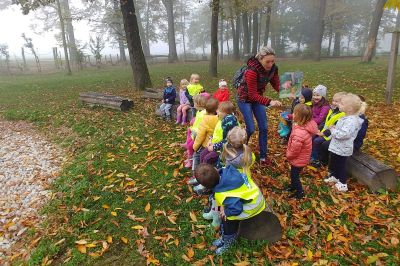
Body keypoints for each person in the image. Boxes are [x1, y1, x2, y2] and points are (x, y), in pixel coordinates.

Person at [194, 162, 265, 255]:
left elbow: (237, 209)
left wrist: (226, 212)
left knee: (227, 219)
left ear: (207, 187)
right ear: (215, 169)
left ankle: (228, 241)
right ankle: (225, 237)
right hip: (254, 197)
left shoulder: (223, 194)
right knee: (226, 211)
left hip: (253, 206)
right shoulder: (226, 170)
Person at [236, 46, 282, 166]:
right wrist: (270, 102)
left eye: (273, 61)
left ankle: (263, 157)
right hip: (245, 99)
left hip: (258, 98)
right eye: (268, 61)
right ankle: (240, 151)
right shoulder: (252, 71)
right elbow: (252, 95)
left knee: (264, 127)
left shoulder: (273, 69)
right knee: (250, 128)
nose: (270, 64)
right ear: (260, 59)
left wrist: (289, 92)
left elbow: (277, 85)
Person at [324, 93, 366, 192]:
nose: (339, 104)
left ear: (350, 108)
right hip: (337, 146)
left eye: (342, 103)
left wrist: (333, 130)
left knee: (341, 165)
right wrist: (335, 128)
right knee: (334, 162)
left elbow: (344, 134)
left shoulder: (351, 120)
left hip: (343, 147)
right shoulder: (345, 116)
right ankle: (335, 176)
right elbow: (342, 129)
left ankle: (342, 183)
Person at [285, 104, 318, 199]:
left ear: (299, 117)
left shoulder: (299, 133)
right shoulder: (305, 125)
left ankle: (300, 192)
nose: (292, 114)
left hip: (298, 159)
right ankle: (292, 186)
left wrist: (288, 155)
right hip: (302, 157)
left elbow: (295, 150)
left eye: (294, 113)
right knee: (293, 174)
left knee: (295, 176)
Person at [311, 92, 347, 167]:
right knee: (313, 136)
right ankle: (312, 154)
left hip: (331, 135)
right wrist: (319, 129)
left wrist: (323, 133)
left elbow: (335, 127)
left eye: (336, 101)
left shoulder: (342, 115)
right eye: (333, 100)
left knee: (317, 141)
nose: (333, 103)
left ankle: (317, 159)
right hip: (324, 131)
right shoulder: (332, 110)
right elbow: (325, 121)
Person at [201, 101, 239, 166]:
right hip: (214, 144)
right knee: (202, 154)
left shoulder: (229, 123)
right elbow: (215, 132)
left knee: (207, 159)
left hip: (222, 149)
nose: (217, 111)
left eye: (219, 110)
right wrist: (210, 140)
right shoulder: (220, 120)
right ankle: (200, 171)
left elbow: (228, 140)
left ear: (226, 113)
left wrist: (214, 147)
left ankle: (207, 174)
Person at [183, 94, 209, 168]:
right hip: (194, 130)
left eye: (194, 102)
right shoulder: (199, 111)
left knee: (191, 146)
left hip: (198, 134)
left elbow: (202, 125)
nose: (193, 103)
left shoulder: (204, 113)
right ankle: (189, 157)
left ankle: (191, 161)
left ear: (199, 104)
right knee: (189, 144)